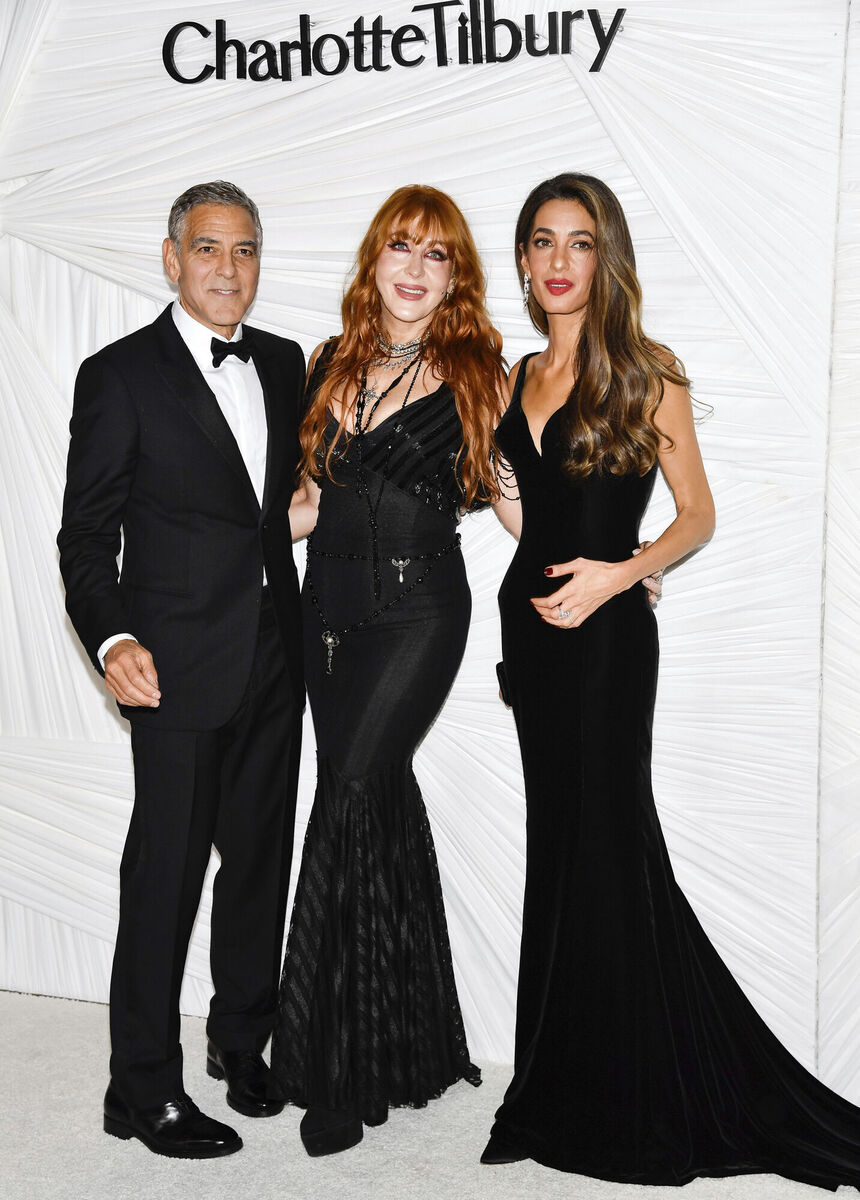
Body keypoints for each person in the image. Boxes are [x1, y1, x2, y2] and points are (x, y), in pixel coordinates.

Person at [481, 172, 860, 1190]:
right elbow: (531, 514)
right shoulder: (513, 376)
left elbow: (694, 515)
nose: (559, 261)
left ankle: (636, 1089)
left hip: (605, 647)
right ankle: (559, 1081)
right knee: (557, 852)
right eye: (541, 242)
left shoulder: (647, 374)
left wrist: (623, 573)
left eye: (579, 242)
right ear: (520, 260)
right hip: (530, 637)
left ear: (605, 260)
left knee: (610, 848)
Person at [57, 181, 305, 1158]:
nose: (228, 269)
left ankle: (241, 1049)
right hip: (170, 671)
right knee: (161, 881)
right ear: (171, 258)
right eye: (208, 249)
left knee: (256, 867)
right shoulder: (118, 376)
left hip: (274, 661)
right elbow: (85, 541)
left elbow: (280, 509)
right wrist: (114, 643)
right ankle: (140, 1088)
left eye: (244, 250)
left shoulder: (282, 363)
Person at [270, 184, 508, 1156]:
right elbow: (300, 507)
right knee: (370, 798)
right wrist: (204, 549)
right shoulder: (328, 364)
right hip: (323, 614)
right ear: (373, 261)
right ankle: (403, 1040)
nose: (413, 269)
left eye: (435, 255)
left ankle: (331, 1065)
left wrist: (605, 571)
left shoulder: (476, 371)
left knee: (349, 788)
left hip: (417, 610)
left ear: (454, 276)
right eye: (399, 249)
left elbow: (512, 499)